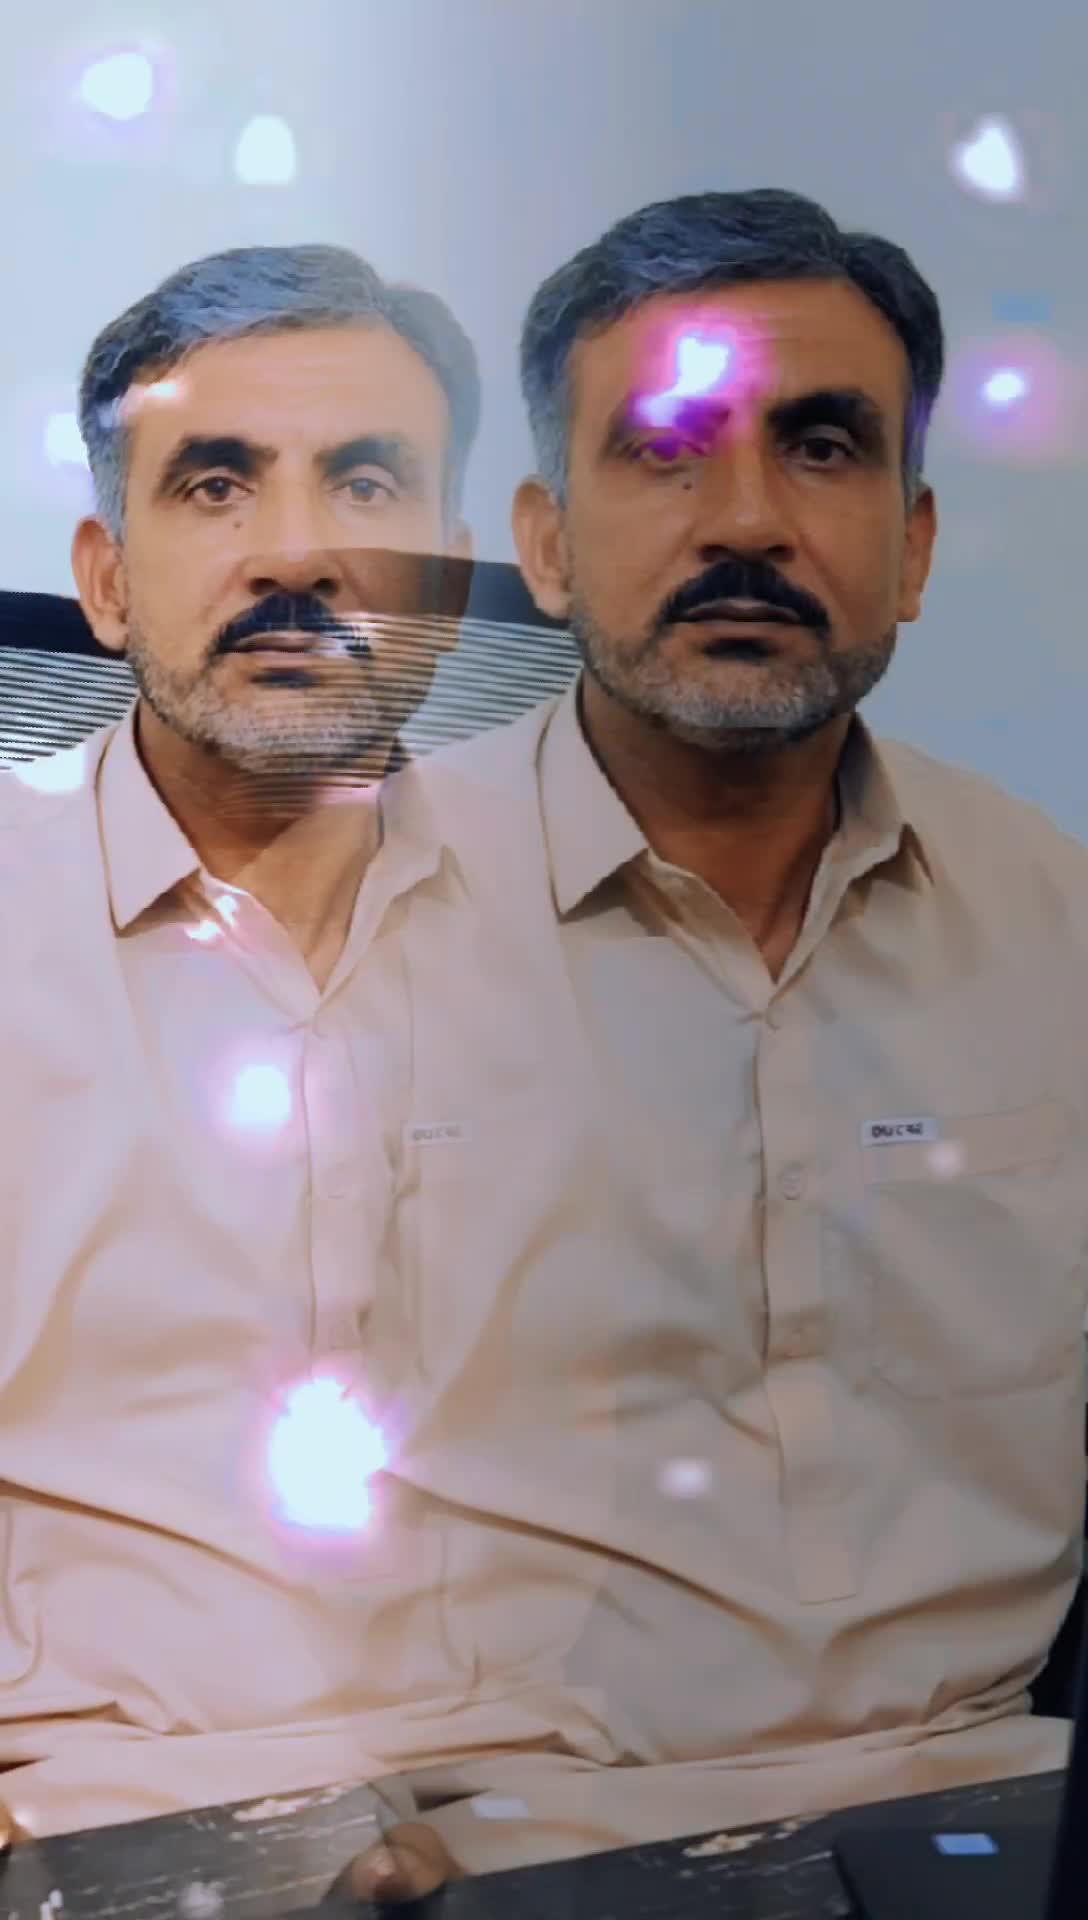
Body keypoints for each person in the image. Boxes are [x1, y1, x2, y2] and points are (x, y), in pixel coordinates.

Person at [340, 187, 1088, 1901]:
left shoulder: (1060, 926)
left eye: (822, 448)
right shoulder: (334, 936)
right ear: (545, 544)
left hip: (997, 1810)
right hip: (498, 1845)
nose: (746, 519)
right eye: (666, 453)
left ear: (911, 544)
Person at [0, 242, 479, 1840]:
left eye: (365, 483)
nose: (298, 553)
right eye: (216, 485)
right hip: (96, 1817)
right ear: (105, 580)